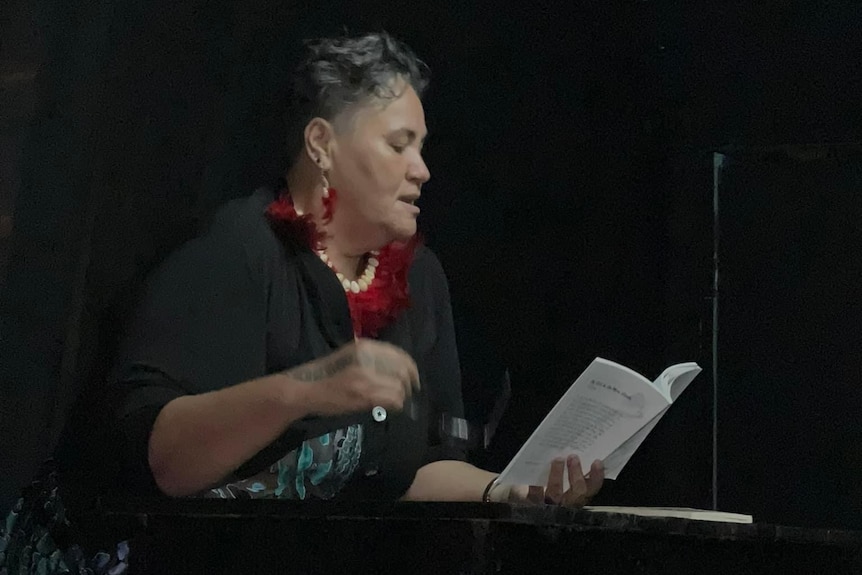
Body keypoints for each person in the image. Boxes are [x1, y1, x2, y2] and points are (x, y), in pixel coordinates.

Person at [107, 31, 604, 507]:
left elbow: (410, 472)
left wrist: (511, 490)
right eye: (398, 144)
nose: (422, 169)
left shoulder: (420, 279)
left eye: (421, 147)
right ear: (321, 144)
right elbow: (167, 463)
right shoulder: (236, 253)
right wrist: (305, 388)